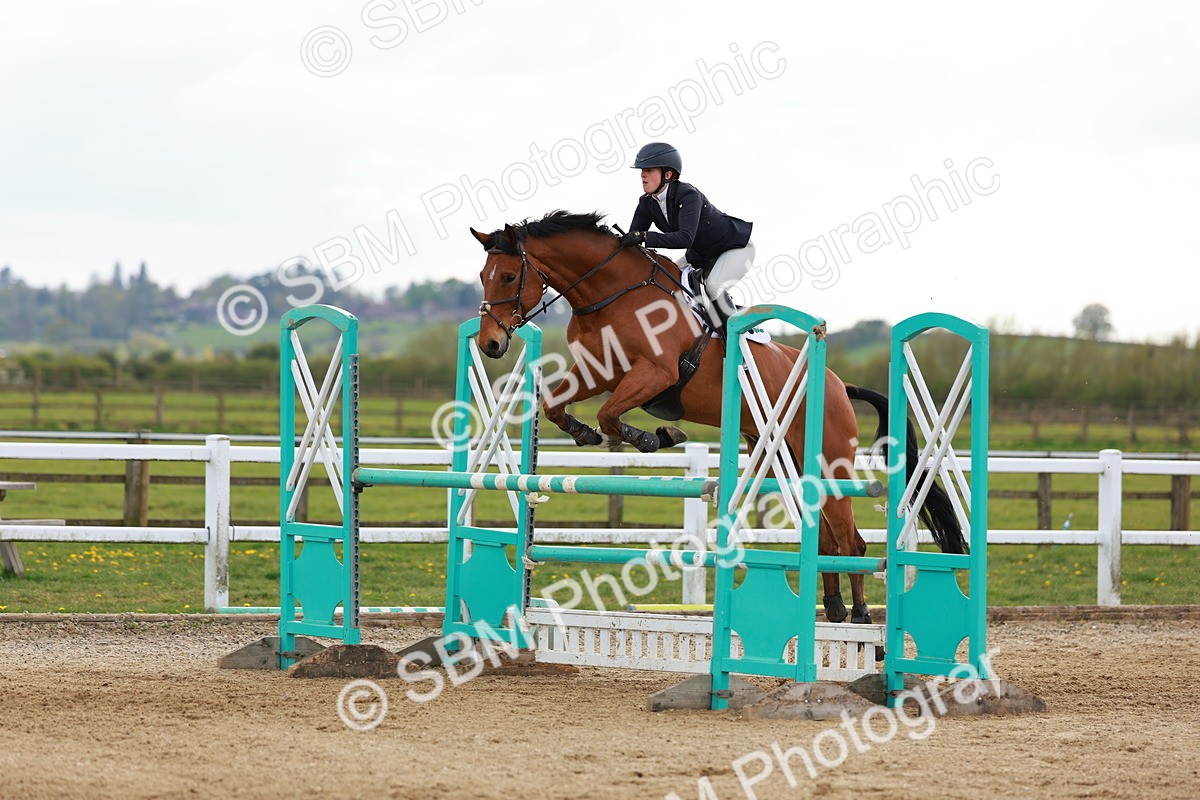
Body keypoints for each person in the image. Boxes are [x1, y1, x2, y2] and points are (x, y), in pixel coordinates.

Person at [619, 142, 755, 331]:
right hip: (701, 255)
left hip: (734, 248)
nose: (642, 175)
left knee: (713, 287)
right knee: (668, 279)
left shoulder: (688, 195)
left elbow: (685, 239)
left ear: (667, 175)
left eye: (649, 170)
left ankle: (739, 341)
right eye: (642, 170)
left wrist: (645, 236)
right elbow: (633, 240)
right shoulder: (646, 203)